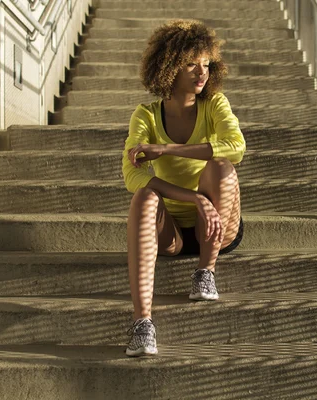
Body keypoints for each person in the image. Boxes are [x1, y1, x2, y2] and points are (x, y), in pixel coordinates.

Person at [122, 20, 246, 357]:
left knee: (221, 167)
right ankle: (142, 324)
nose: (201, 72)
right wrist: (192, 198)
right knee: (144, 196)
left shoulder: (214, 104)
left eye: (206, 63)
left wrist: (168, 149)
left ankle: (206, 271)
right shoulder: (145, 116)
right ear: (168, 65)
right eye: (191, 63)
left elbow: (235, 146)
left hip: (220, 227)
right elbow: (132, 175)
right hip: (171, 233)